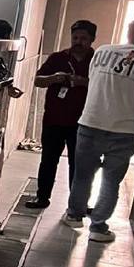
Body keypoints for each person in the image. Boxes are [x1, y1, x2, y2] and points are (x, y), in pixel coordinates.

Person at [63, 20, 134, 242]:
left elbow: (94, 79)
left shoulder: (103, 51)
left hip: (91, 122)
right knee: (111, 181)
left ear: (128, 32)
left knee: (83, 175)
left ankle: (74, 216)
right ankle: (98, 228)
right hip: (126, 130)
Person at [25, 20, 97, 209]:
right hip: (54, 120)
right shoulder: (58, 58)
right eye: (75, 37)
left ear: (92, 39)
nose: (78, 42)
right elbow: (38, 80)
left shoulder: (97, 60)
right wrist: (54, 78)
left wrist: (83, 82)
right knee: (48, 161)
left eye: (83, 38)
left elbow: (105, 87)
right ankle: (42, 198)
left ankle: (77, 204)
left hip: (83, 122)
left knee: (79, 165)